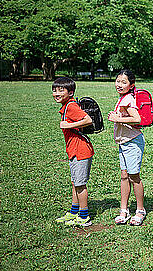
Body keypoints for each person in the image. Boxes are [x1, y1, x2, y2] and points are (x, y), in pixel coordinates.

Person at [52, 77, 94, 227]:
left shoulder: (71, 106)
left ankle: (84, 216)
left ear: (70, 92)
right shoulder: (67, 105)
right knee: (75, 183)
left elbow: (88, 120)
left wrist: (68, 125)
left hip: (80, 150)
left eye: (60, 90)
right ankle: (73, 211)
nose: (56, 93)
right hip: (74, 149)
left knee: (80, 184)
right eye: (54, 90)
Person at [108, 69, 146, 226]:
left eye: (124, 82)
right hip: (124, 142)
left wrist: (117, 118)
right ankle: (124, 209)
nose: (119, 84)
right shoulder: (122, 98)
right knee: (124, 176)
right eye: (118, 81)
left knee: (134, 176)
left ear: (131, 85)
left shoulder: (128, 99)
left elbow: (137, 119)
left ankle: (140, 210)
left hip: (132, 142)